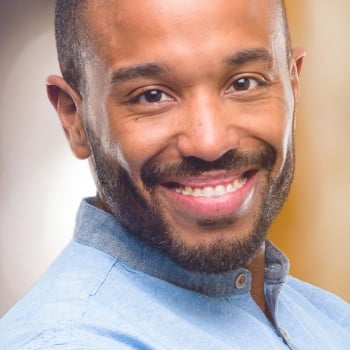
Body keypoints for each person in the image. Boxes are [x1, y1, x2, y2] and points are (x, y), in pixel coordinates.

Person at [1, 0, 349, 348]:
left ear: (293, 85)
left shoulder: (331, 322)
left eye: (243, 83)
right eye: (152, 96)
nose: (210, 142)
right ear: (74, 118)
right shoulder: (72, 341)